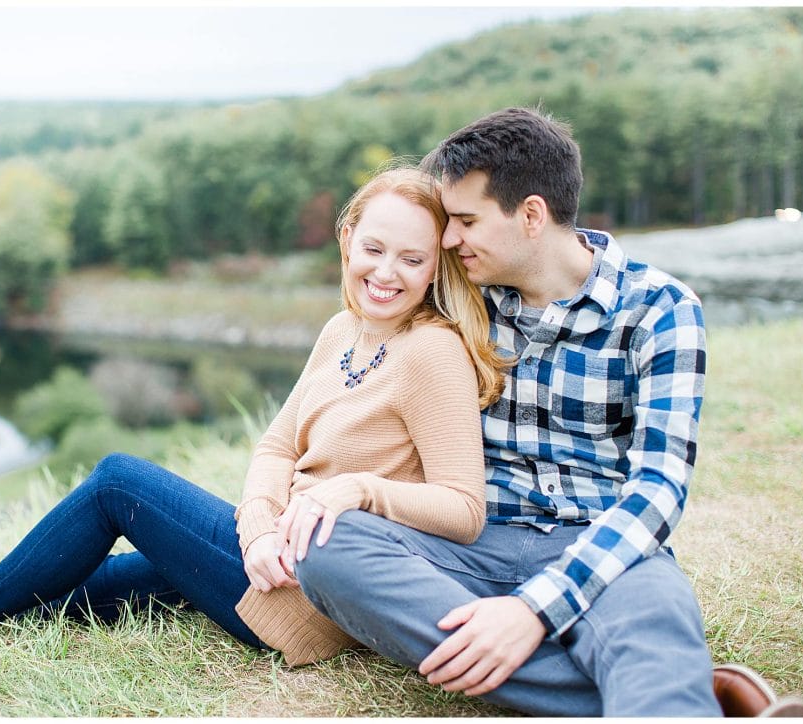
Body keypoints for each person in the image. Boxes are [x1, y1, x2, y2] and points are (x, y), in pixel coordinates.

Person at [0, 166, 508, 669]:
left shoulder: (431, 353)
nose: (387, 272)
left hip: (315, 594)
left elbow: (462, 508)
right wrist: (260, 527)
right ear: (347, 238)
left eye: (412, 259)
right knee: (120, 577)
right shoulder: (344, 329)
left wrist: (356, 491)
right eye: (375, 249)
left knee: (120, 483)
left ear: (433, 268)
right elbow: (274, 447)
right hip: (269, 559)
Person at [290, 107, 724, 716]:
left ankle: (650, 684)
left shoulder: (660, 309)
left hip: (601, 542)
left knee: (653, 617)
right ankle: (640, 688)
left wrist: (530, 610)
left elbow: (659, 489)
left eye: (465, 220)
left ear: (531, 215)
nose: (446, 239)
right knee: (331, 545)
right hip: (473, 544)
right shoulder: (460, 295)